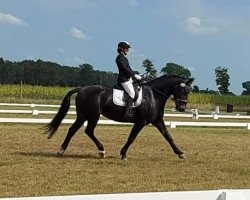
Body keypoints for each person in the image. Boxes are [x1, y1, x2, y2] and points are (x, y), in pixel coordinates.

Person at [115, 41, 142, 118]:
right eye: (126, 48)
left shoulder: (124, 58)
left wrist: (135, 74)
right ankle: (127, 112)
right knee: (132, 93)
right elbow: (124, 69)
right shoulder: (120, 58)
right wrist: (134, 75)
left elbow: (129, 69)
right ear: (122, 49)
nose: (128, 50)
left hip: (128, 79)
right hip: (124, 79)